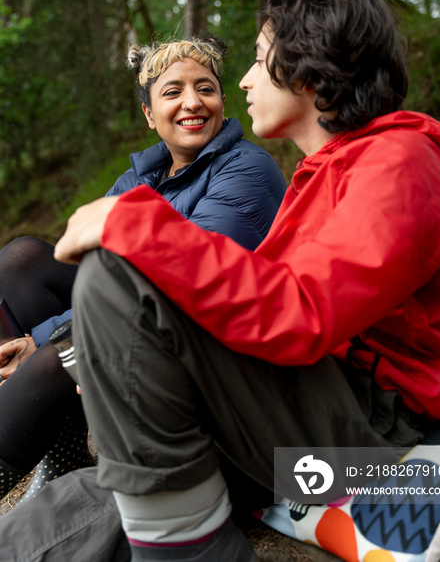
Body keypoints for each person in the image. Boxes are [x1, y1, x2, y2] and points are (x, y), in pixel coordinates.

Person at [2, 0, 440, 562]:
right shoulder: (323, 174)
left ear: (310, 70)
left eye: (257, 61)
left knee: (115, 282)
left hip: (377, 448)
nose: (243, 79)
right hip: (306, 417)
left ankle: (193, 551)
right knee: (68, 517)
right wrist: (127, 362)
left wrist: (135, 227)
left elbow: (299, 314)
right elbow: (246, 309)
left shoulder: (401, 162)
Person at [0, 35, 286, 504]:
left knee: (58, 356)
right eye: (172, 92)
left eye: (206, 88)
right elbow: (92, 269)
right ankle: (63, 452)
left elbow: (180, 284)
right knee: (23, 261)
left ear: (221, 100)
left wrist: (44, 338)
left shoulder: (247, 170)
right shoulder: (140, 180)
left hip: (207, 348)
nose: (192, 102)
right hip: (144, 323)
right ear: (150, 115)